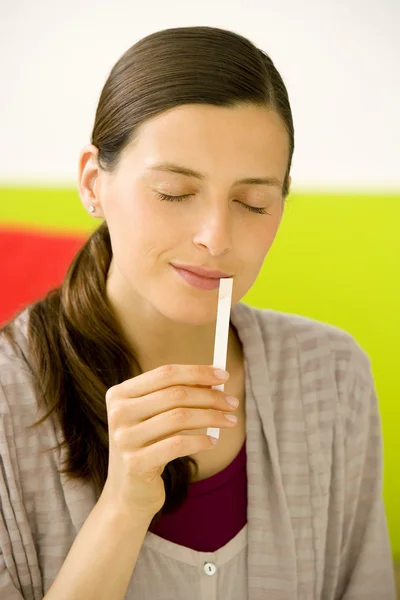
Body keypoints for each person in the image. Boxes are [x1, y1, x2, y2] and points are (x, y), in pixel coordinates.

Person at [0, 25, 396, 600]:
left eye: (252, 202)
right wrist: (123, 506)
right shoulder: (10, 394)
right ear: (93, 183)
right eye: (173, 193)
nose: (216, 236)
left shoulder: (333, 376)